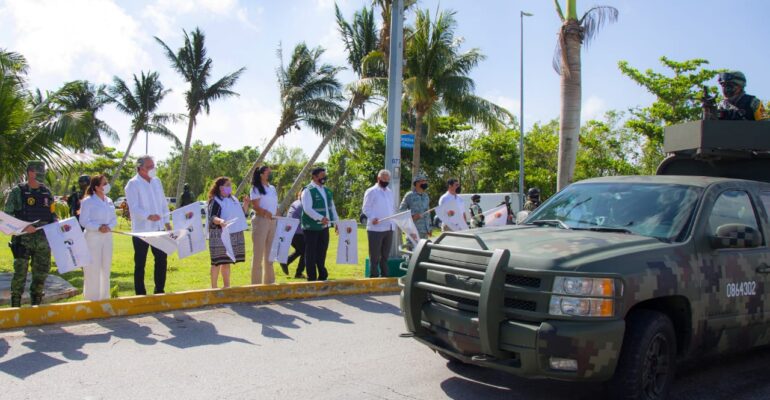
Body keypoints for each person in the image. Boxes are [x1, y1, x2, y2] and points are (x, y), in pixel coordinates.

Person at [5, 161, 60, 307]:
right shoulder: (17, 192)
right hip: (23, 240)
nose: (41, 176)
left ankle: (36, 305)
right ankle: (15, 306)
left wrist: (56, 221)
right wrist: (24, 227)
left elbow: (52, 213)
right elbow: (7, 217)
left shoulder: (46, 192)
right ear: (30, 172)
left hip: (43, 239)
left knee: (41, 273)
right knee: (20, 274)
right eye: (38, 173)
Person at [124, 155, 171, 295]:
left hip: (159, 228)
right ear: (140, 168)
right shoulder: (133, 184)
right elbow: (134, 207)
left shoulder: (157, 181)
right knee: (140, 262)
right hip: (141, 230)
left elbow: (163, 203)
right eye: (149, 167)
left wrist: (167, 222)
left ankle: (159, 290)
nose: (153, 169)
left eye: (153, 166)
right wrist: (148, 216)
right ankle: (140, 293)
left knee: (162, 259)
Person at [79, 174, 117, 301]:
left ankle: (104, 297)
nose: (106, 186)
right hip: (92, 238)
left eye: (107, 183)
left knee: (106, 268)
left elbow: (114, 219)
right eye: (104, 183)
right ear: (96, 187)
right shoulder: (87, 201)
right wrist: (98, 227)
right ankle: (92, 298)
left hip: (107, 238)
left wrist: (108, 227)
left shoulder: (109, 201)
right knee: (92, 268)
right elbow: (83, 221)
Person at [207, 177, 247, 288]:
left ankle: (227, 286)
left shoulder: (233, 199)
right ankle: (214, 288)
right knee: (216, 262)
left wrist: (246, 205)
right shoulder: (215, 200)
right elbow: (212, 217)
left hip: (232, 234)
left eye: (230, 185)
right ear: (221, 187)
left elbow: (241, 214)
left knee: (226, 261)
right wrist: (220, 221)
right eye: (227, 185)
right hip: (218, 234)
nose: (230, 187)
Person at [301, 167, 338, 281]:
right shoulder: (308, 190)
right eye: (322, 175)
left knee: (322, 252)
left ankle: (322, 275)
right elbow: (307, 209)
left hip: (324, 227)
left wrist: (337, 222)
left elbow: (332, 207)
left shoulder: (326, 190)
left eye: (325, 175)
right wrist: (320, 218)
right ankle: (311, 277)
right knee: (311, 253)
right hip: (311, 227)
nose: (324, 177)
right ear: (314, 176)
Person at [362, 170, 395, 278]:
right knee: (375, 256)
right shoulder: (371, 191)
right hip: (375, 228)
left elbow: (392, 208)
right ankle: (374, 276)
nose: (385, 181)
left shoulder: (390, 192)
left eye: (387, 179)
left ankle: (385, 276)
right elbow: (365, 208)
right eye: (383, 179)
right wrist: (372, 218)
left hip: (389, 228)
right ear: (378, 178)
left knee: (385, 256)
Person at [250, 166, 278, 285]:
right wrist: (266, 213)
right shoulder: (256, 188)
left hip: (273, 221)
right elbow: (255, 206)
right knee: (258, 254)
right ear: (261, 174)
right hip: (261, 221)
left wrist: (278, 216)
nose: (270, 174)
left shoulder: (272, 188)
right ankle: (256, 284)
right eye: (268, 172)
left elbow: (275, 206)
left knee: (270, 254)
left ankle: (269, 283)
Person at [399, 175, 432, 243]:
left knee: (424, 252)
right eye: (423, 181)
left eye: (425, 181)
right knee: (413, 252)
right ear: (417, 183)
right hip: (413, 230)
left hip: (424, 231)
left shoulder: (426, 196)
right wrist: (412, 217)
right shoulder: (409, 195)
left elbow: (428, 212)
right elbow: (401, 211)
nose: (425, 183)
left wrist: (429, 228)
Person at [280, 191, 306, 279]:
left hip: (290, 232)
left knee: (300, 250)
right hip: (298, 233)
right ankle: (299, 273)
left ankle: (286, 262)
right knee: (305, 251)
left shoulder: (295, 203)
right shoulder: (303, 206)